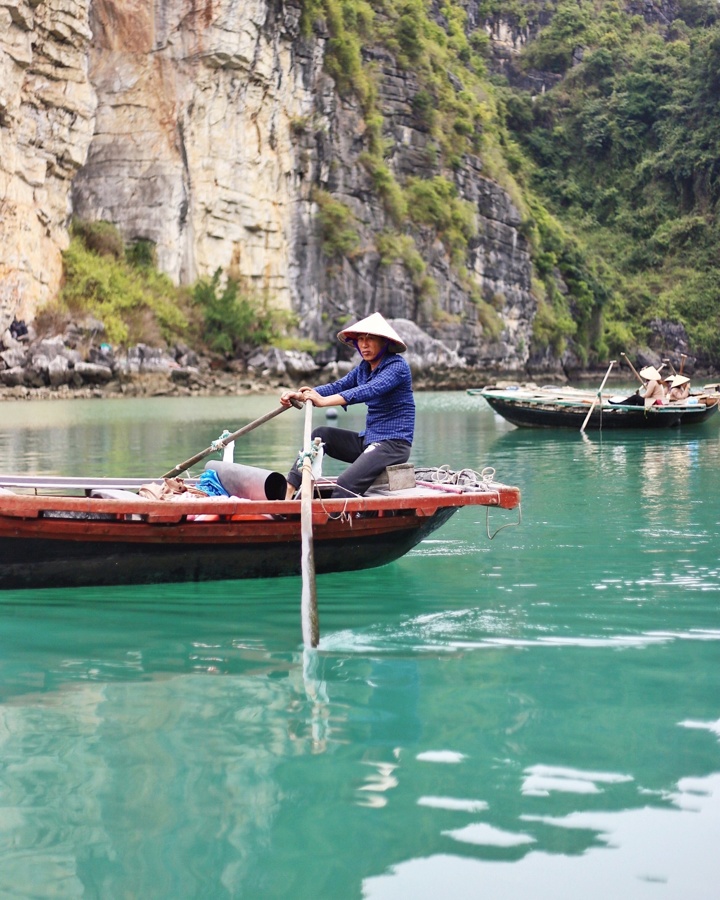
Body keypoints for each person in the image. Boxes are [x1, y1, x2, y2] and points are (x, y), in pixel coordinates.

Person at [280, 312, 414, 499]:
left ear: (384, 342)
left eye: (370, 339)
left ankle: (335, 516)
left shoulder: (397, 367)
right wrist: (302, 395)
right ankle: (288, 493)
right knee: (321, 435)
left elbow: (369, 390)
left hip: (393, 445)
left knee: (345, 484)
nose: (364, 345)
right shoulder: (364, 368)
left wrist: (324, 402)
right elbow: (339, 386)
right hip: (369, 440)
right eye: (360, 339)